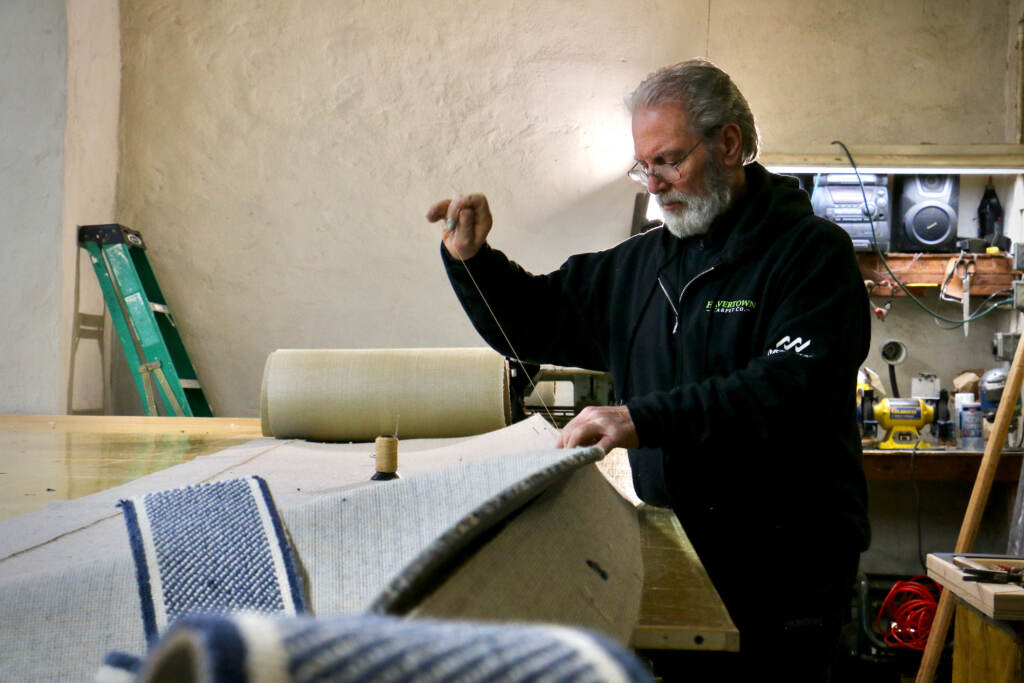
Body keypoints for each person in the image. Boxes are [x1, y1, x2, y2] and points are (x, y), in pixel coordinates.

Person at [426, 58, 870, 680]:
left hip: (787, 559)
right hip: (677, 543)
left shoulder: (810, 254)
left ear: (730, 144)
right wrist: (472, 259)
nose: (654, 184)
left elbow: (787, 387)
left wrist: (642, 417)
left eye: (668, 160)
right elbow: (530, 324)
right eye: (645, 165)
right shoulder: (639, 267)